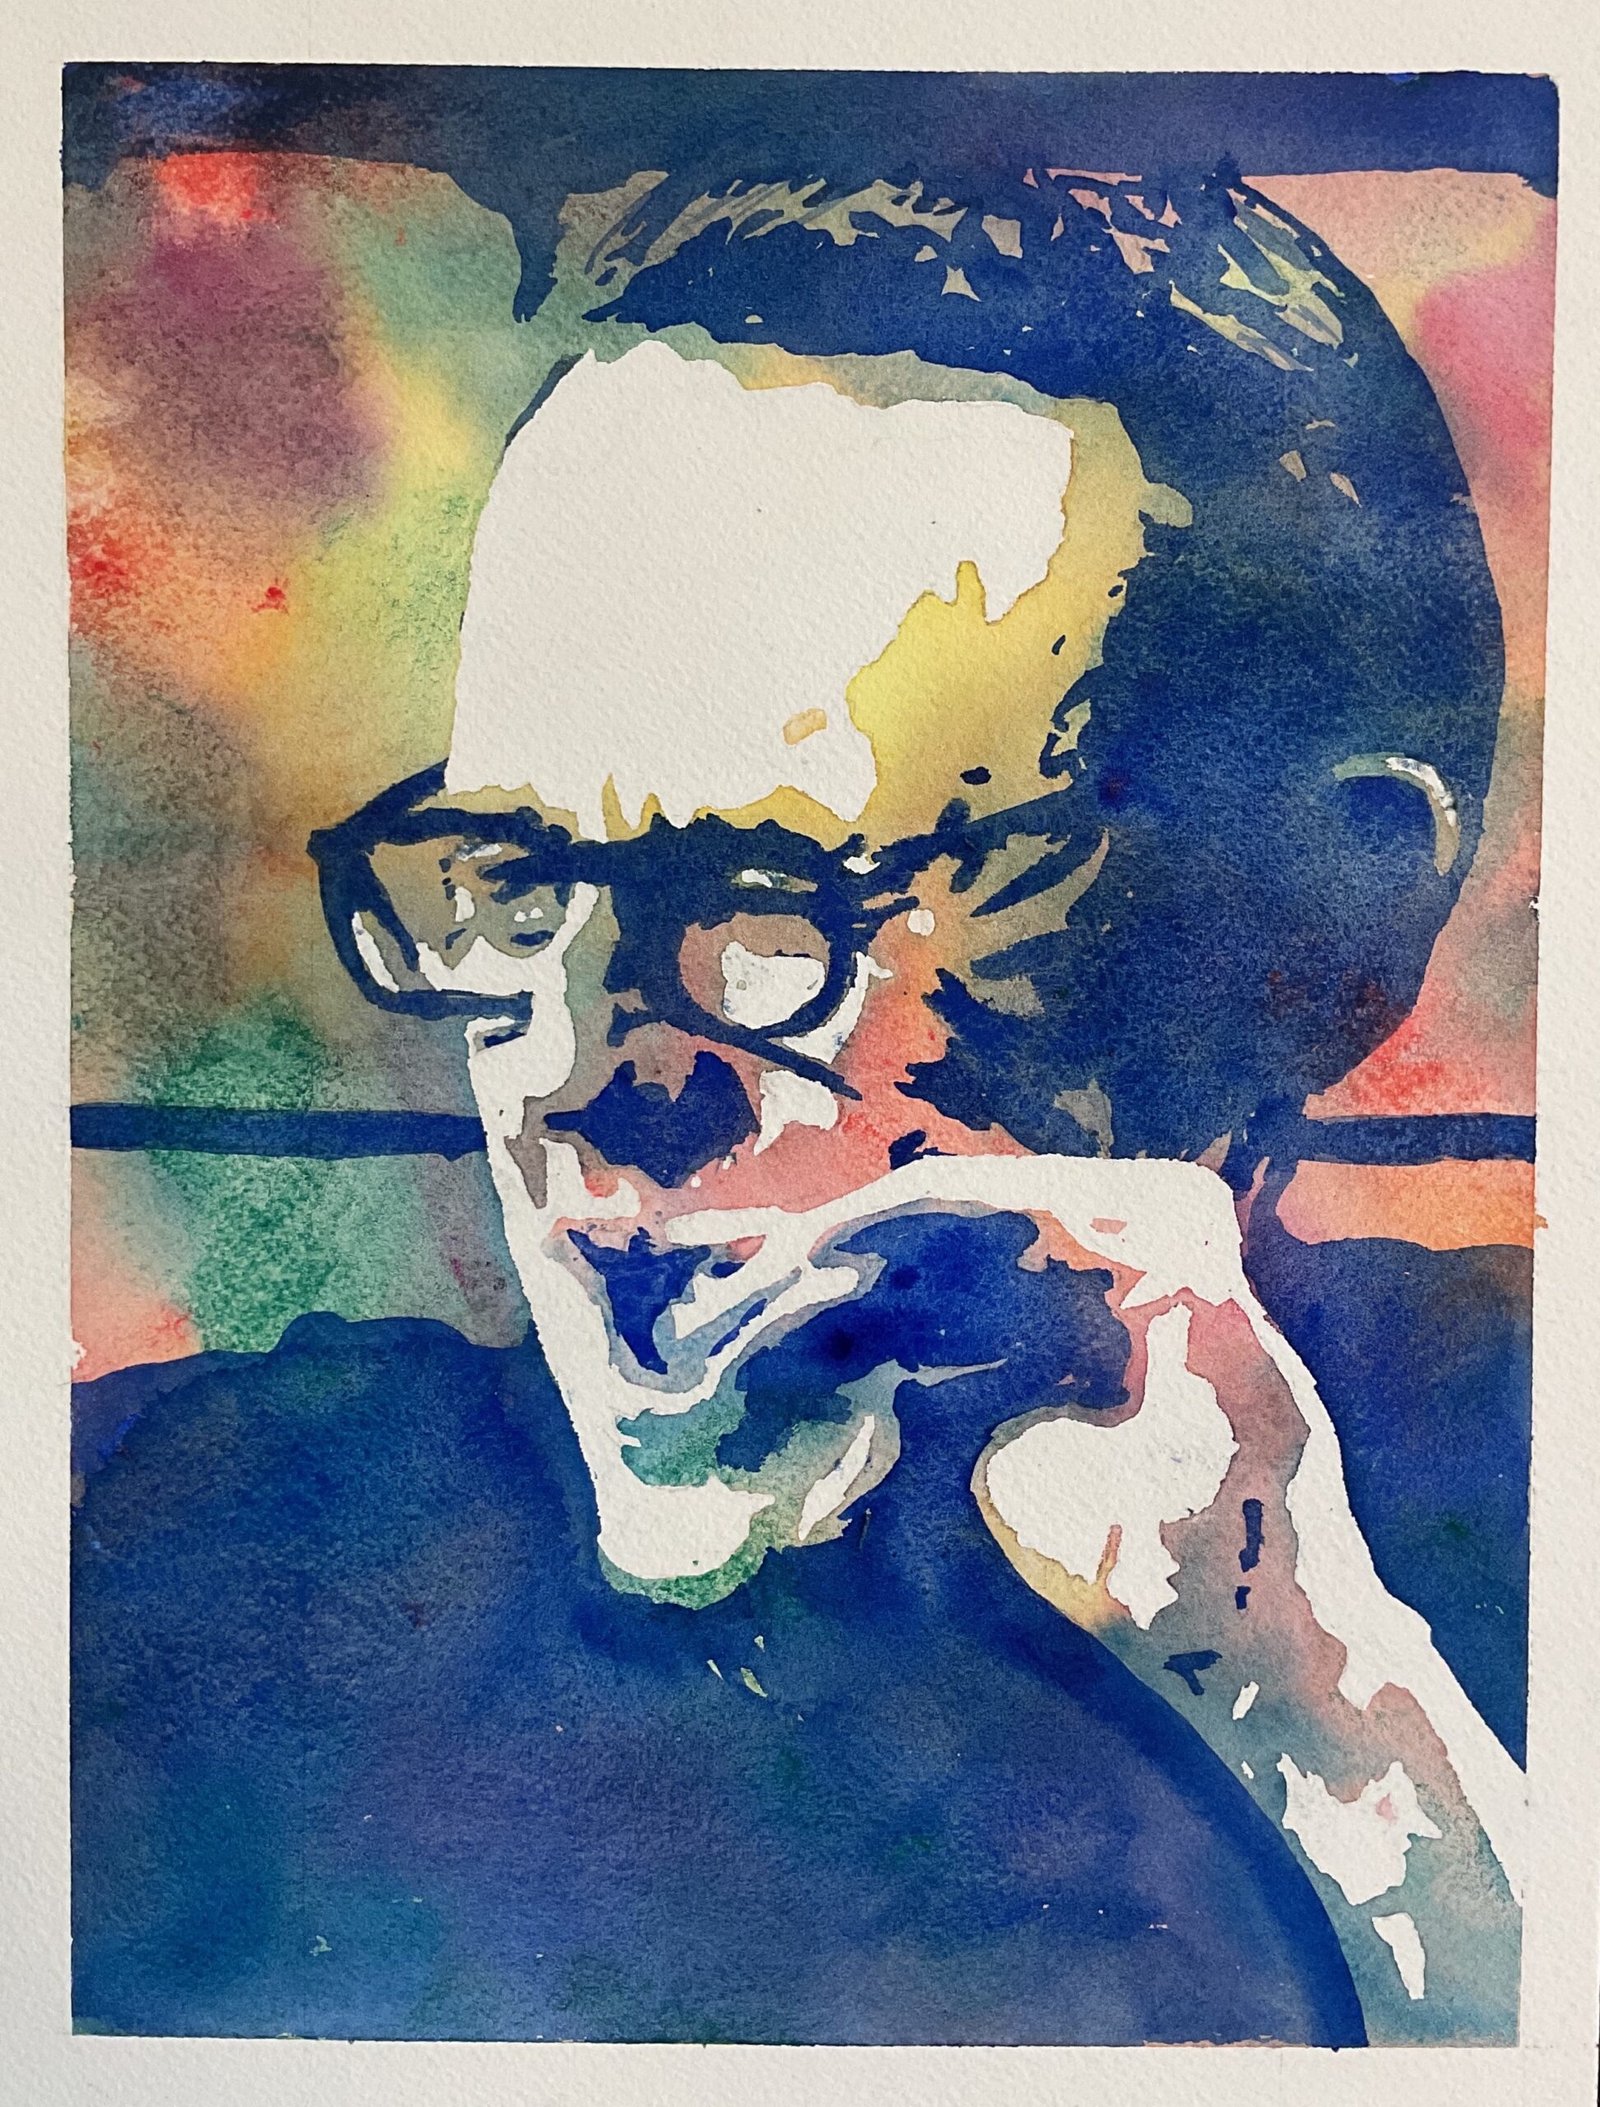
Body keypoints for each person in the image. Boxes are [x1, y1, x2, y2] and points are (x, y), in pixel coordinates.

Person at [73, 158, 1523, 2045]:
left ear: (1306, 935)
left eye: (764, 911)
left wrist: (1312, 1697)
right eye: (514, 882)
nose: (582, 1079)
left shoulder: (1517, 1513)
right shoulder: (164, 1568)